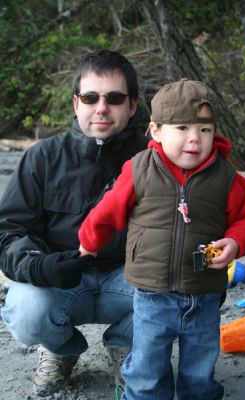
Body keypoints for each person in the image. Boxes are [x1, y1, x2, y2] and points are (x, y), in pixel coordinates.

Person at [78, 78, 245, 400]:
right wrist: (89, 242)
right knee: (148, 365)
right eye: (182, 128)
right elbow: (106, 211)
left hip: (205, 293)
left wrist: (235, 242)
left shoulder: (225, 177)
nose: (195, 139)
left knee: (200, 366)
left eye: (205, 130)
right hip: (152, 295)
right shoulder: (139, 170)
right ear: (156, 130)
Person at [0, 50, 149, 397]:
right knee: (25, 307)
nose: (101, 107)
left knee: (186, 291)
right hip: (62, 286)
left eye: (114, 98)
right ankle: (60, 349)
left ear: (132, 105)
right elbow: (8, 230)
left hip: (131, 284)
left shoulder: (156, 159)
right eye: (90, 97)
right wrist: (39, 266)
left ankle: (127, 346)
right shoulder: (42, 157)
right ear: (75, 103)